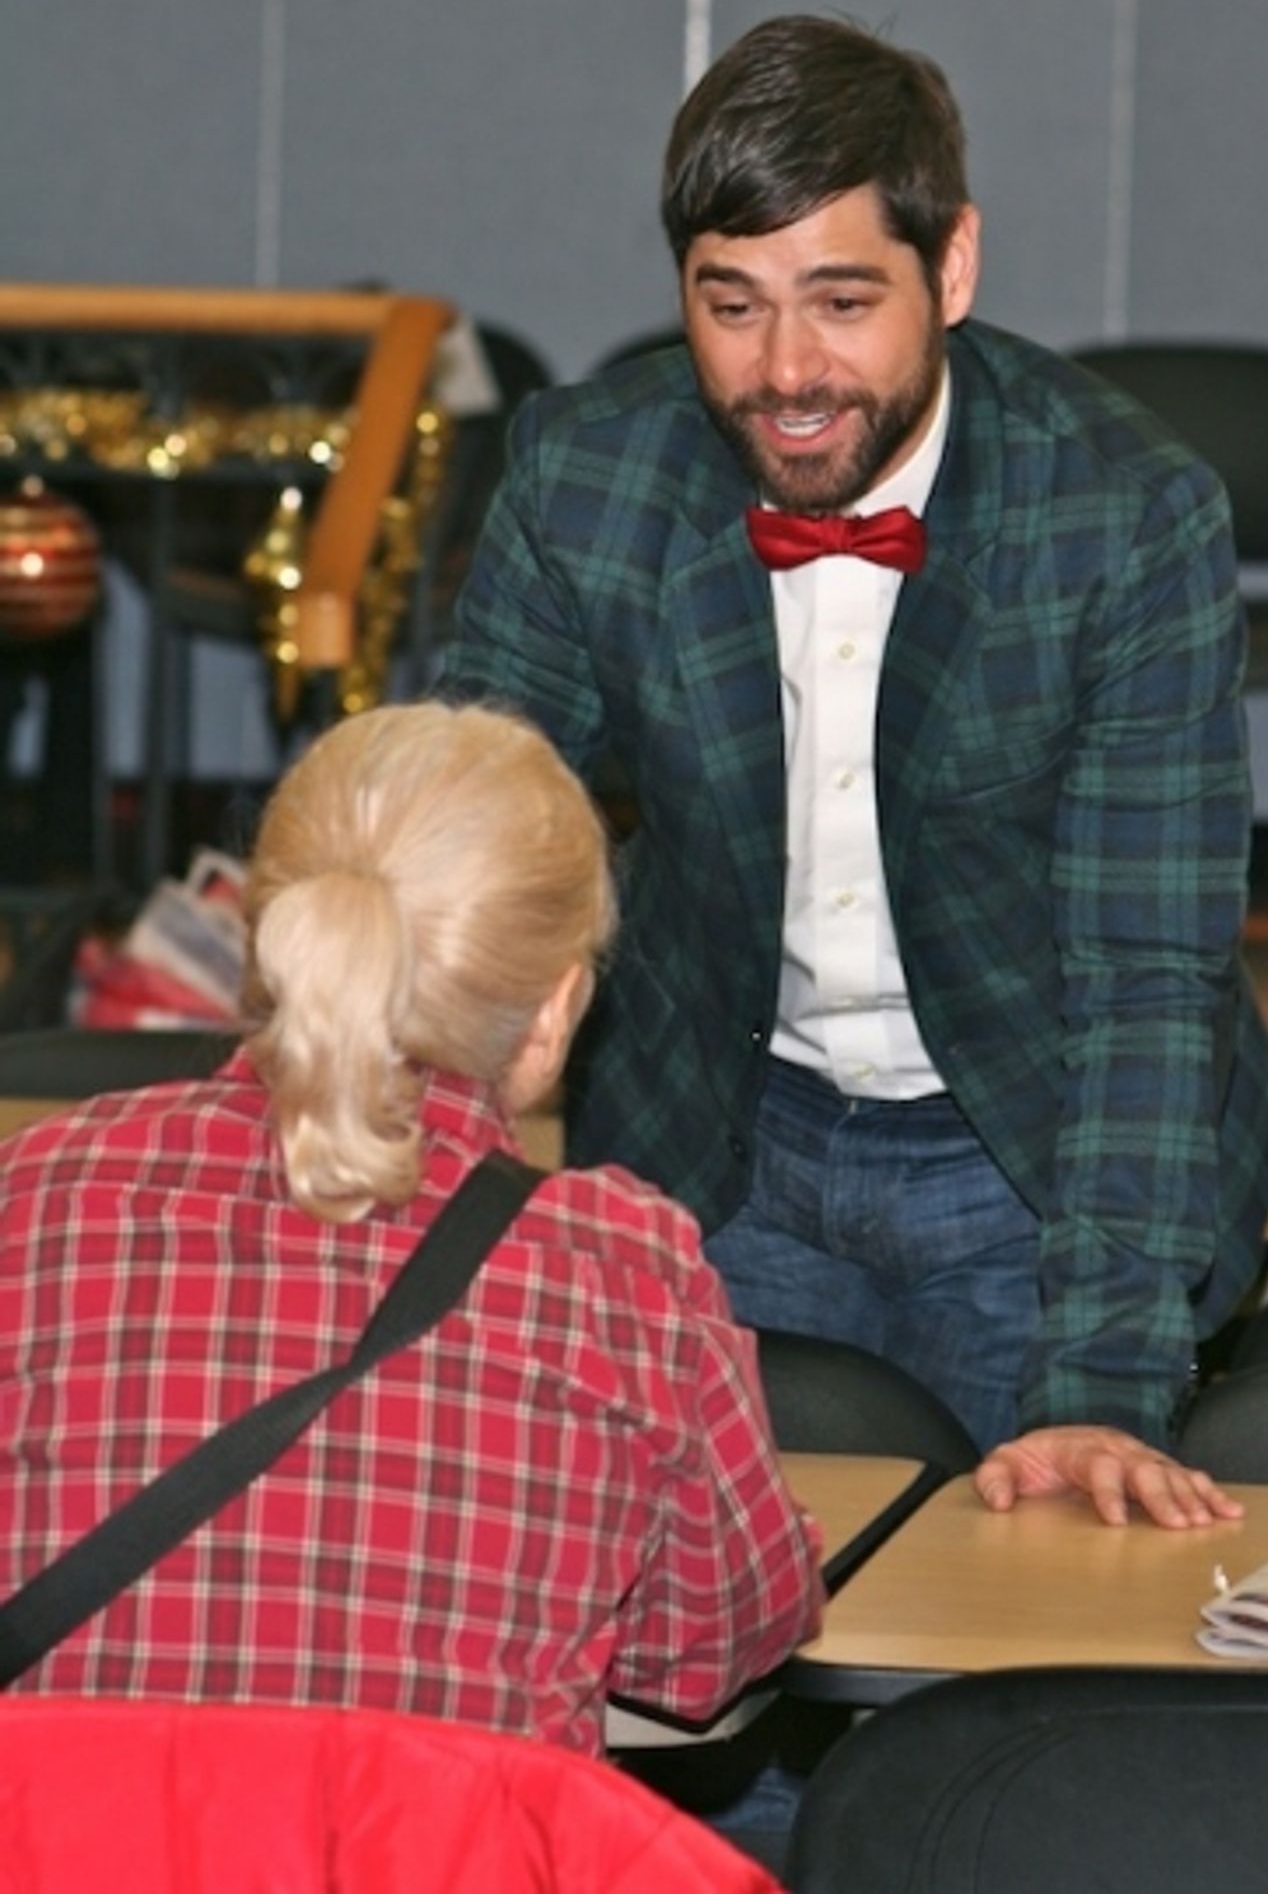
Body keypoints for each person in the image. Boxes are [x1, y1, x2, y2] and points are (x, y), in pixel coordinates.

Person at [439, 13, 1268, 1528]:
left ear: (950, 268)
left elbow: (1147, 978)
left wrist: (1101, 1379)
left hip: (1034, 1153)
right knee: (699, 1620)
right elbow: (460, 853)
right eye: (731, 306)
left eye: (842, 301)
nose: (785, 371)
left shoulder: (1124, 515)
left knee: (1019, 1622)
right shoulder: (585, 478)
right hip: (717, 1136)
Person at [0, 701, 823, 1751]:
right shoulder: (619, 1273)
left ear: (266, 944)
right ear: (554, 1012)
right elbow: (710, 1654)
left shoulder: (31, 1192)